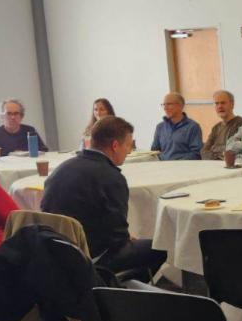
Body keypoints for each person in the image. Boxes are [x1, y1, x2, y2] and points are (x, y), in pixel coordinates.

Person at [41, 115, 167, 277]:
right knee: (160, 248)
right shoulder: (111, 177)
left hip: (54, 250)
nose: (129, 151)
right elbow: (117, 238)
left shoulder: (61, 169)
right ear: (115, 145)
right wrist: (125, 238)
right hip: (91, 256)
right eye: (128, 145)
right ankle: (112, 291)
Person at [151, 92, 204, 161]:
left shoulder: (193, 127)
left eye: (169, 104)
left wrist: (178, 163)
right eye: (164, 105)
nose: (165, 108)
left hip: (184, 167)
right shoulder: (160, 127)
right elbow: (154, 151)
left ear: (180, 106)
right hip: (163, 167)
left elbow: (196, 153)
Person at [202, 90, 242, 160]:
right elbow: (204, 151)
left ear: (232, 104)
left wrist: (214, 149)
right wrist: (218, 155)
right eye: (217, 103)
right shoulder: (216, 127)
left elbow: (232, 150)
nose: (220, 106)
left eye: (223, 103)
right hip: (213, 165)